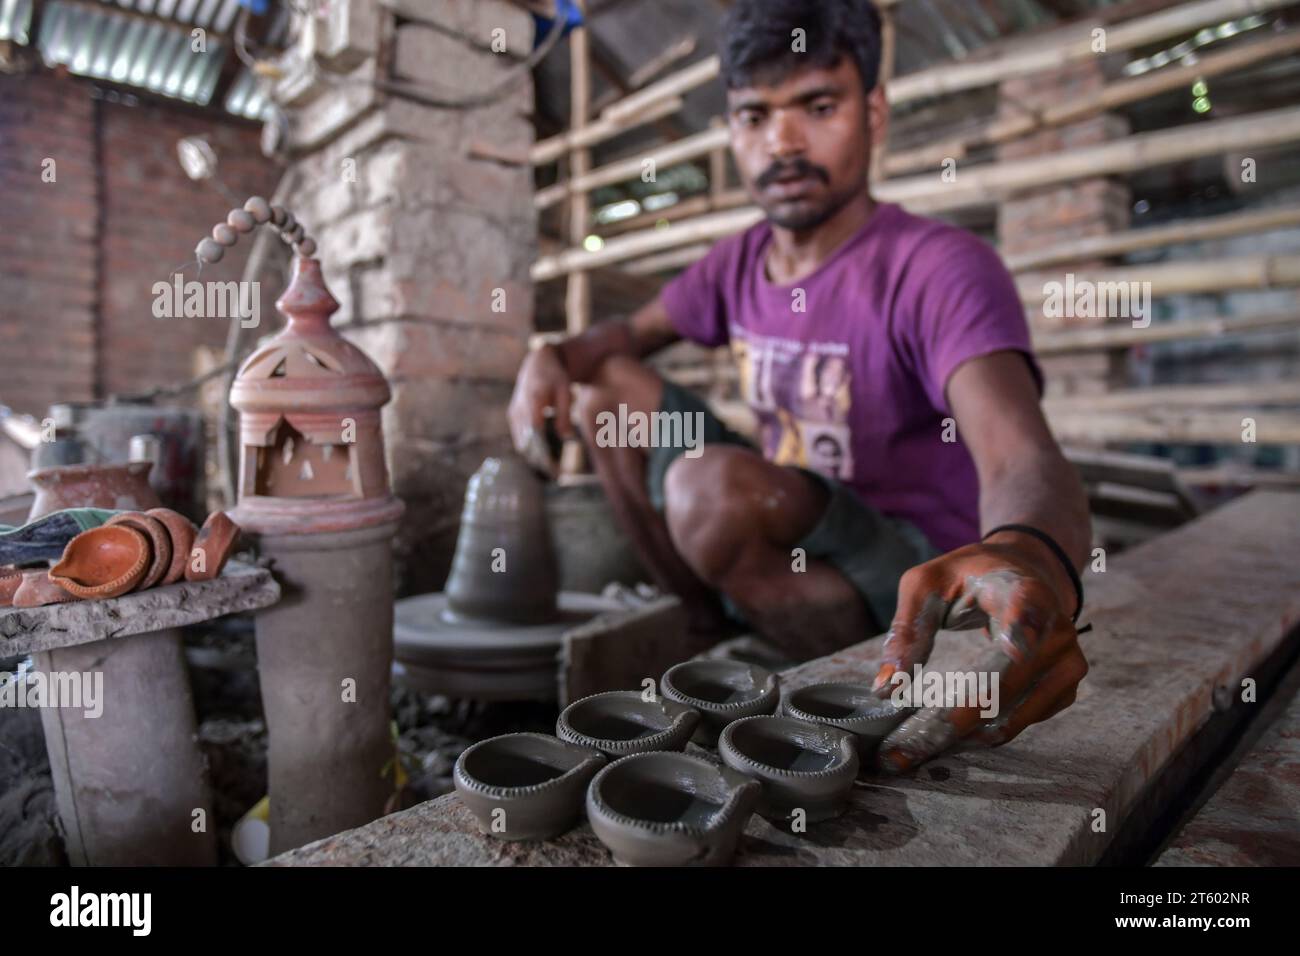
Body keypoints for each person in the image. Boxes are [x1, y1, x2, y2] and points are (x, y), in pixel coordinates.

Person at [509, 0, 1091, 771]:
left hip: (901, 571)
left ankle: (848, 664)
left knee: (709, 490)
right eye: (754, 115)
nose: (782, 141)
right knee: (607, 390)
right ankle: (704, 627)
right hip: (797, 519)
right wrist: (549, 354)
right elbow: (619, 341)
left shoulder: (938, 267)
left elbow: (1020, 454)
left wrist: (1032, 556)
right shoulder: (741, 261)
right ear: (731, 129)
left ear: (873, 112)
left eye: (818, 106)